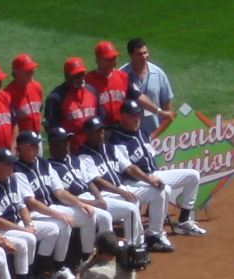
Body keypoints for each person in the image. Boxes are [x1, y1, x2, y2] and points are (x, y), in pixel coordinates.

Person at [13, 131, 109, 279]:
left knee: (89, 214)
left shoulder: (43, 163)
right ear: (22, 147)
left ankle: (85, 259)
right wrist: (58, 215)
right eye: (32, 144)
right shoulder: (17, 170)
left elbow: (59, 191)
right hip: (34, 213)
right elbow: (30, 202)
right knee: (63, 224)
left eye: (38, 143)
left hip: (50, 207)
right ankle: (58, 268)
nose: (37, 147)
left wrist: (81, 204)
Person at [76, 116, 174, 252]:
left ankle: (154, 236)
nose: (100, 134)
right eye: (96, 132)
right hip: (106, 194)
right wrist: (122, 192)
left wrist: (149, 179)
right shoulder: (83, 155)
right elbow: (98, 181)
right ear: (87, 133)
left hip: (121, 188)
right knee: (131, 204)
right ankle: (135, 246)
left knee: (159, 191)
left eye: (102, 131)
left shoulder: (109, 148)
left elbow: (129, 167)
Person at [109, 100, 206, 235]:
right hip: (133, 182)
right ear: (123, 115)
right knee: (164, 189)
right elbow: (129, 169)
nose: (136, 118)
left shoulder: (142, 131)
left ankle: (183, 221)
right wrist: (149, 179)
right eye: (132, 115)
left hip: (153, 174)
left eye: (138, 114)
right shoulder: (117, 139)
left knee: (193, 175)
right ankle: (155, 233)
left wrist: (152, 177)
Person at [47, 127, 143, 246]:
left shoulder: (75, 160)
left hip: (91, 198)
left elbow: (90, 182)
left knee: (131, 209)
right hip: (73, 203)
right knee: (105, 217)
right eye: (63, 142)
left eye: (68, 140)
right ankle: (101, 254)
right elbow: (62, 195)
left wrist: (98, 198)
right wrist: (90, 203)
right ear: (53, 145)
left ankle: (133, 247)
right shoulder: (49, 167)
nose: (67, 144)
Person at [85, 41, 173, 130]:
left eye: (114, 58)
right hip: (101, 131)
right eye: (108, 60)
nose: (113, 62)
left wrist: (159, 112)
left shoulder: (123, 76)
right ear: (98, 61)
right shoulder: (88, 81)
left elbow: (138, 96)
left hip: (122, 129)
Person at [43, 57, 100, 153]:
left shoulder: (92, 91)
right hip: (72, 151)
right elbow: (50, 128)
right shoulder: (56, 97)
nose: (80, 78)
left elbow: (99, 118)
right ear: (66, 76)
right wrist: (62, 147)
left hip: (93, 149)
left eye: (81, 74)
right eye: (75, 75)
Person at [120, 39, 174, 135]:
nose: (144, 57)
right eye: (139, 54)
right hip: (130, 134)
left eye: (145, 53)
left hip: (155, 132)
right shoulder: (121, 75)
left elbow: (166, 102)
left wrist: (166, 129)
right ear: (131, 55)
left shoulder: (158, 73)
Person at [4, 54, 43, 154]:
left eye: (32, 69)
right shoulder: (7, 95)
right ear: (16, 73)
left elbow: (38, 110)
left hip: (37, 138)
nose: (31, 73)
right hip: (21, 142)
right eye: (27, 71)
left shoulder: (37, 87)